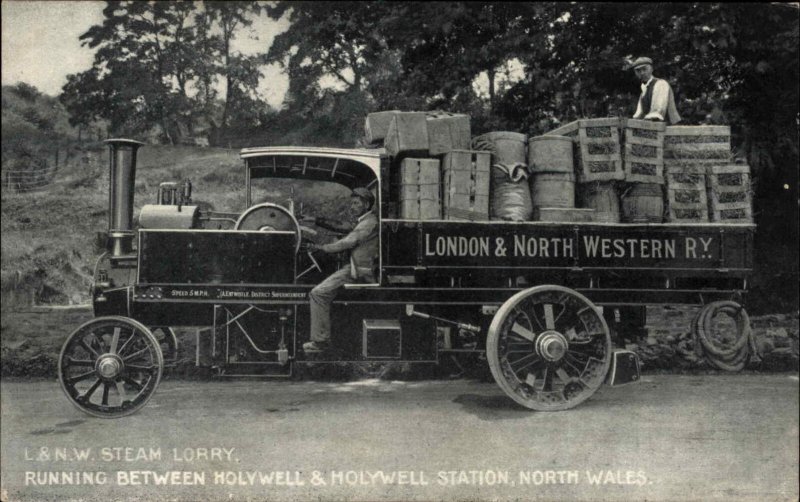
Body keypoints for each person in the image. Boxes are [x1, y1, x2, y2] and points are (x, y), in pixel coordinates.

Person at [302, 187, 378, 353]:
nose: (352, 206)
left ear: (366, 205)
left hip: (359, 270)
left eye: (356, 203)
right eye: (352, 203)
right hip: (355, 267)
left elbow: (348, 242)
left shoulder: (369, 222)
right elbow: (342, 227)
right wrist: (316, 220)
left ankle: (320, 342)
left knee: (318, 293)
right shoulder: (363, 221)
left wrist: (322, 247)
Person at [630, 57, 681, 124]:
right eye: (638, 71)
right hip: (654, 128)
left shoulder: (660, 84)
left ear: (651, 69)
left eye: (644, 69)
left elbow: (656, 114)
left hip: (668, 128)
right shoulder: (643, 91)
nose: (642, 73)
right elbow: (639, 114)